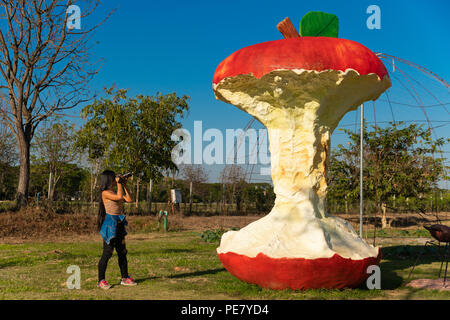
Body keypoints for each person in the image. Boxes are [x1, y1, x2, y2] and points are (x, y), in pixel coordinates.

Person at [97, 170, 137, 289]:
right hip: (110, 225)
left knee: (122, 252)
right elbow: (119, 197)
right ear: (109, 179)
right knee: (107, 253)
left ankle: (125, 278)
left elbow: (129, 199)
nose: (116, 179)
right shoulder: (105, 193)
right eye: (114, 177)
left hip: (119, 224)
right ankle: (101, 280)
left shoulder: (115, 191)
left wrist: (124, 184)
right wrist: (119, 183)